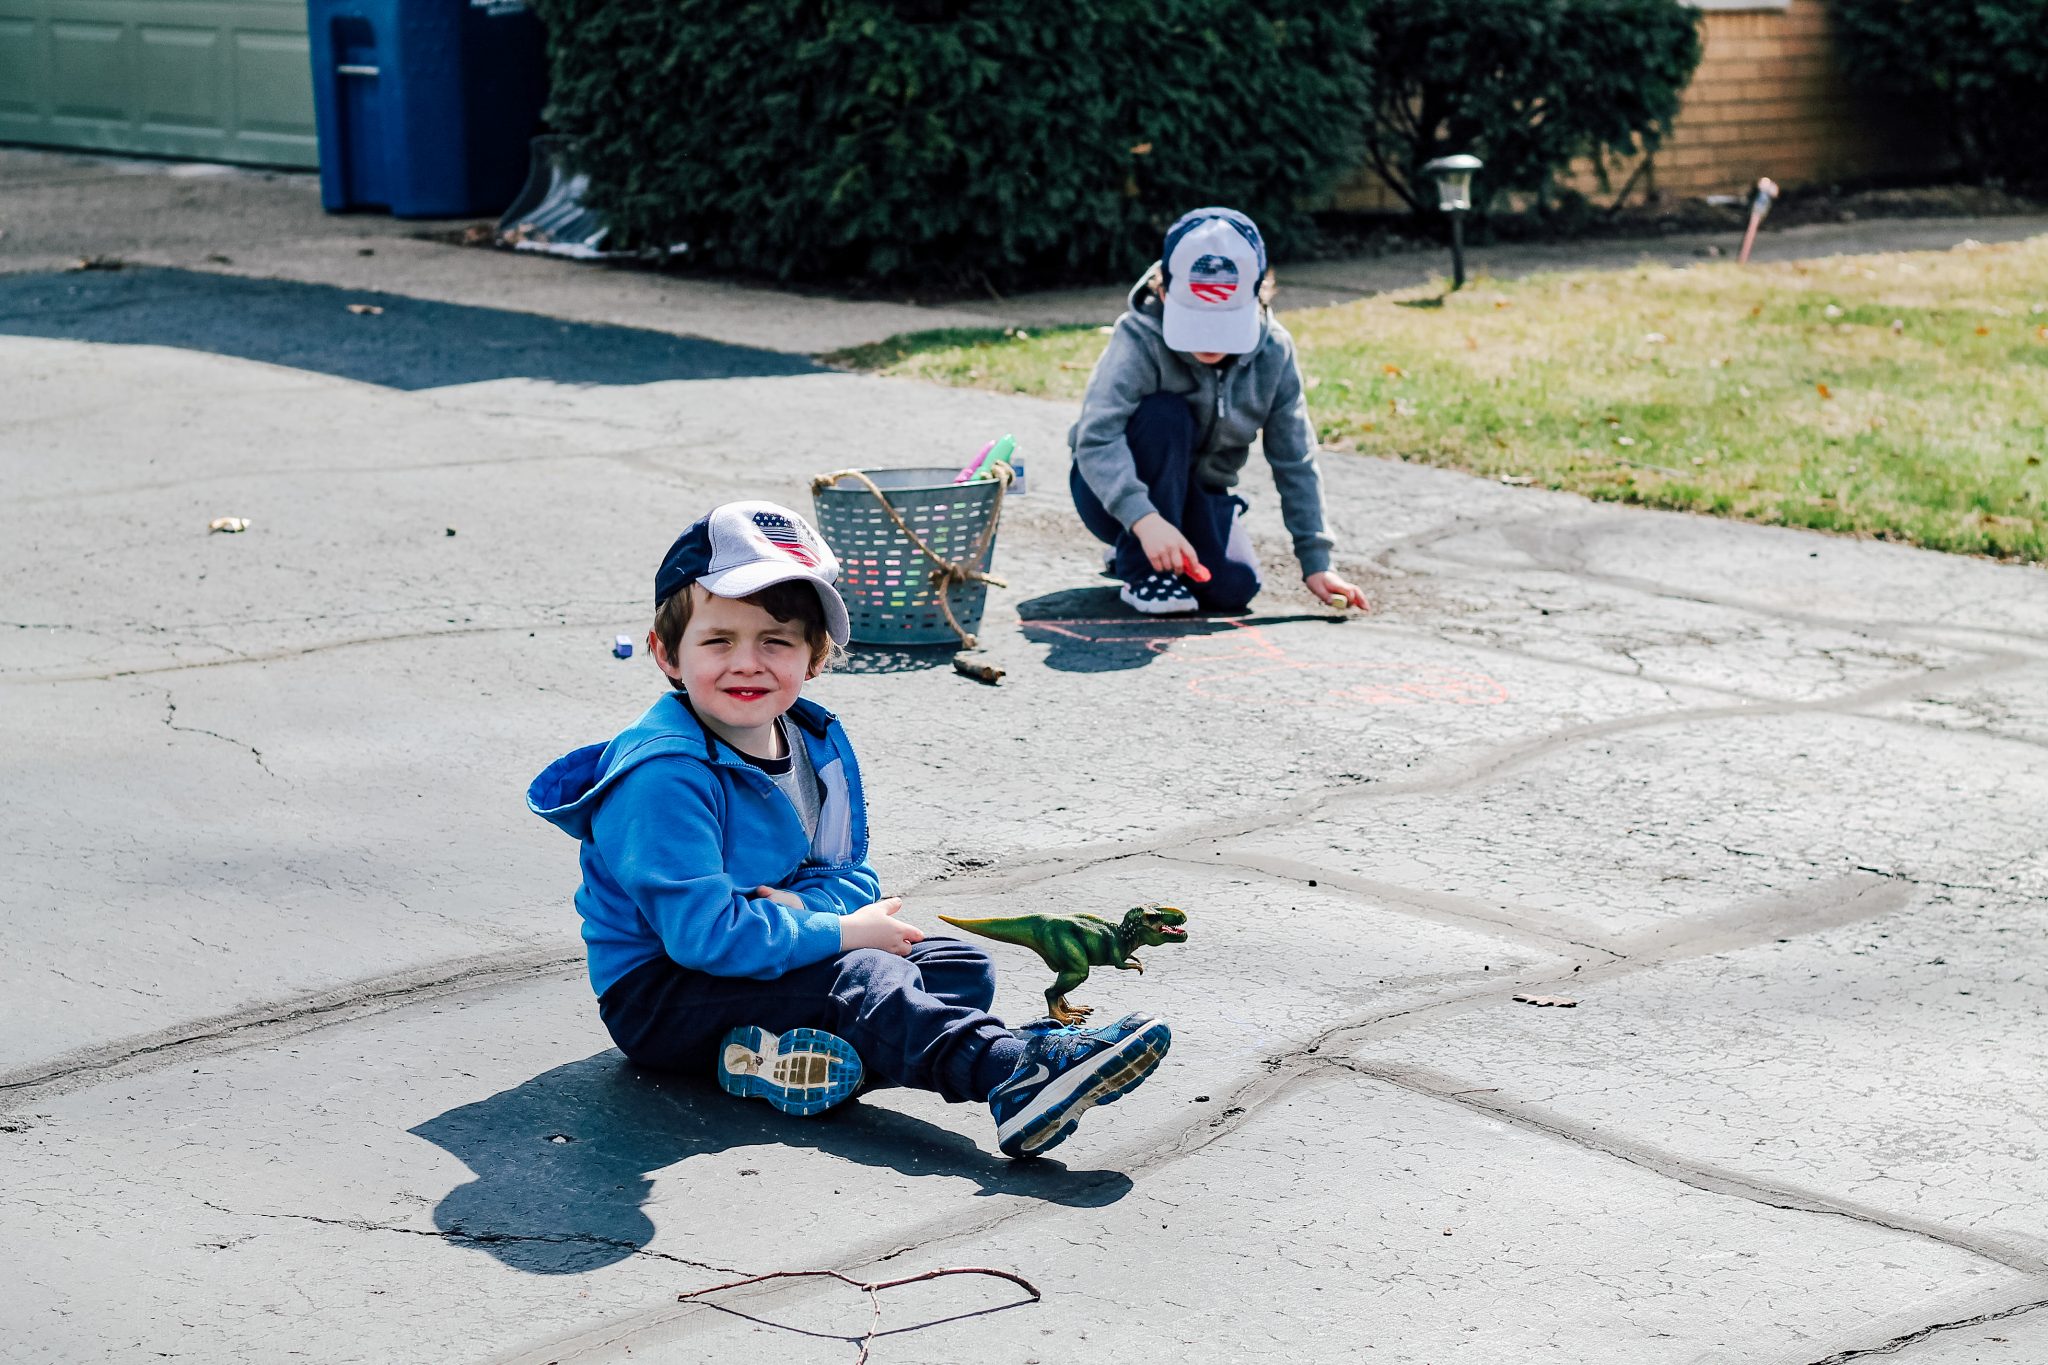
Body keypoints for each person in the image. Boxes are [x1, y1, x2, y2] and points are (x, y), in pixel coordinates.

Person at [527, 500, 1172, 1158]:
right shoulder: (662, 777)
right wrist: (838, 931)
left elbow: (848, 873)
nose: (747, 662)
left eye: (776, 641)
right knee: (866, 971)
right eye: (718, 640)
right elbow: (704, 936)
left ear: (814, 658)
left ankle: (768, 1062)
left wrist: (809, 907)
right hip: (662, 994)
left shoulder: (812, 743)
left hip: (758, 952)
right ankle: (1013, 1075)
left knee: (959, 966)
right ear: (667, 653)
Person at [1069, 206, 1371, 616]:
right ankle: (1141, 560)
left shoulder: (1274, 351)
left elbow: (1294, 458)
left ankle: (1142, 551)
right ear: (1163, 292)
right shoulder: (1139, 337)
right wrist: (1145, 520)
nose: (1210, 343)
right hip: (1112, 493)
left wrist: (1317, 563)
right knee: (1165, 415)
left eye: (1224, 325)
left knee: (1233, 587)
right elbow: (1096, 436)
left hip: (1197, 493)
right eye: (1195, 323)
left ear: (1258, 296)